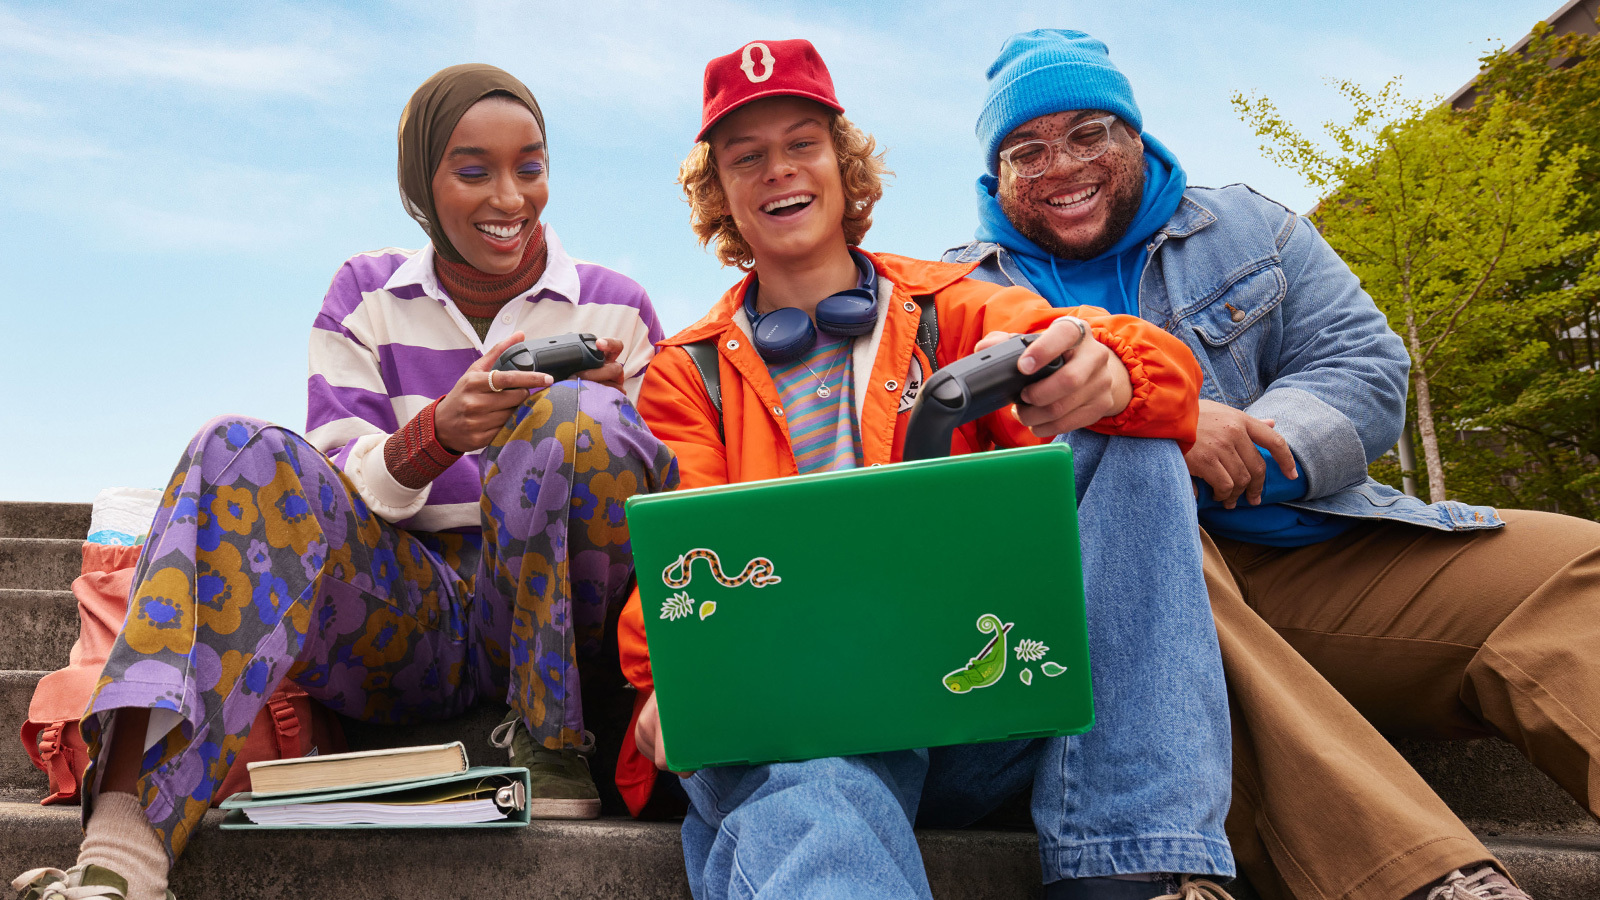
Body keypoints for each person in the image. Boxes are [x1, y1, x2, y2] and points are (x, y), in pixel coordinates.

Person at [945, 29, 1600, 900]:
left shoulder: (1251, 226)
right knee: (1143, 562)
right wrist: (1174, 425)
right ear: (998, 179)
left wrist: (1257, 443)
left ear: (1135, 135)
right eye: (1026, 150)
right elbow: (966, 478)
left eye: (1088, 132)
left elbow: (1365, 367)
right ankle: (1425, 878)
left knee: (1568, 568)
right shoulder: (953, 292)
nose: (1060, 165)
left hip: (1317, 547)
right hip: (1127, 590)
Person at [11, 64, 677, 900]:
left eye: (530, 167)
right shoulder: (365, 295)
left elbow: (674, 519)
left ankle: (552, 743)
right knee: (236, 447)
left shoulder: (617, 308)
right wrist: (435, 437)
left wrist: (603, 440)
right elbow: (323, 494)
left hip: (553, 621)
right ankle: (122, 854)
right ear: (421, 187)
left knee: (580, 419)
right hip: (408, 612)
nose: (509, 197)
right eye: (474, 171)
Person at [617, 39, 1239, 900]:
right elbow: (672, 562)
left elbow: (1143, 364)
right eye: (745, 157)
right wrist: (666, 683)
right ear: (718, 192)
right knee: (812, 786)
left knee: (1121, 430)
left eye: (801, 143)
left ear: (842, 164)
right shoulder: (686, 374)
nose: (777, 171)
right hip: (799, 725)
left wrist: (1108, 367)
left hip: (974, 705)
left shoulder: (957, 304)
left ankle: (1133, 874)